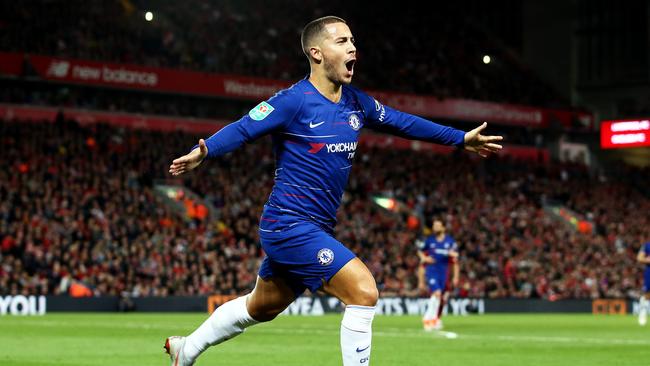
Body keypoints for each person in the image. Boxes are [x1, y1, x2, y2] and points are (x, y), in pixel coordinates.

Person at [165, 15, 503, 366]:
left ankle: (185, 349)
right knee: (363, 290)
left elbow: (404, 122)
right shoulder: (293, 101)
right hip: (288, 224)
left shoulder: (356, 102)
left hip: (317, 227)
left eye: (353, 41)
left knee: (261, 307)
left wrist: (459, 139)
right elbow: (246, 126)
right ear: (316, 52)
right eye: (342, 41)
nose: (353, 47)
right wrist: (205, 151)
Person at [417, 218, 459, 331]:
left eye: (437, 226)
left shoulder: (450, 242)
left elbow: (455, 256)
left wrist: (453, 254)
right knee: (437, 293)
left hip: (444, 272)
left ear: (443, 228)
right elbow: (419, 251)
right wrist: (424, 258)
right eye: (434, 225)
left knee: (440, 296)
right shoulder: (429, 241)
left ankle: (434, 319)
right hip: (432, 270)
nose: (435, 228)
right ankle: (427, 319)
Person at [637, 240, 650, 326]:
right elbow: (639, 258)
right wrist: (647, 260)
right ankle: (642, 312)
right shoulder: (647, 245)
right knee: (647, 295)